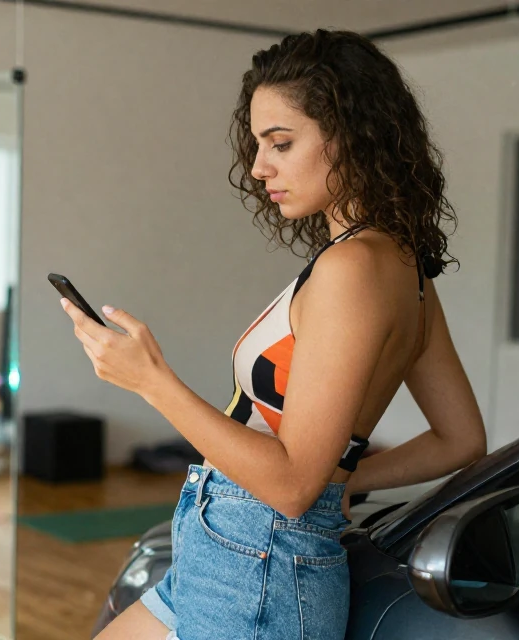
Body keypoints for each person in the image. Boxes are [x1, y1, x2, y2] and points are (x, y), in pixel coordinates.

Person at [74, 30, 488, 639]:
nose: (259, 166)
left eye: (282, 143)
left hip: (258, 564)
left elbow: (293, 484)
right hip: (235, 554)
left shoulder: (352, 269)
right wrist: (349, 481)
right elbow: (461, 438)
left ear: (352, 136)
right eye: (258, 143)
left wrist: (152, 384)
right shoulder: (404, 270)